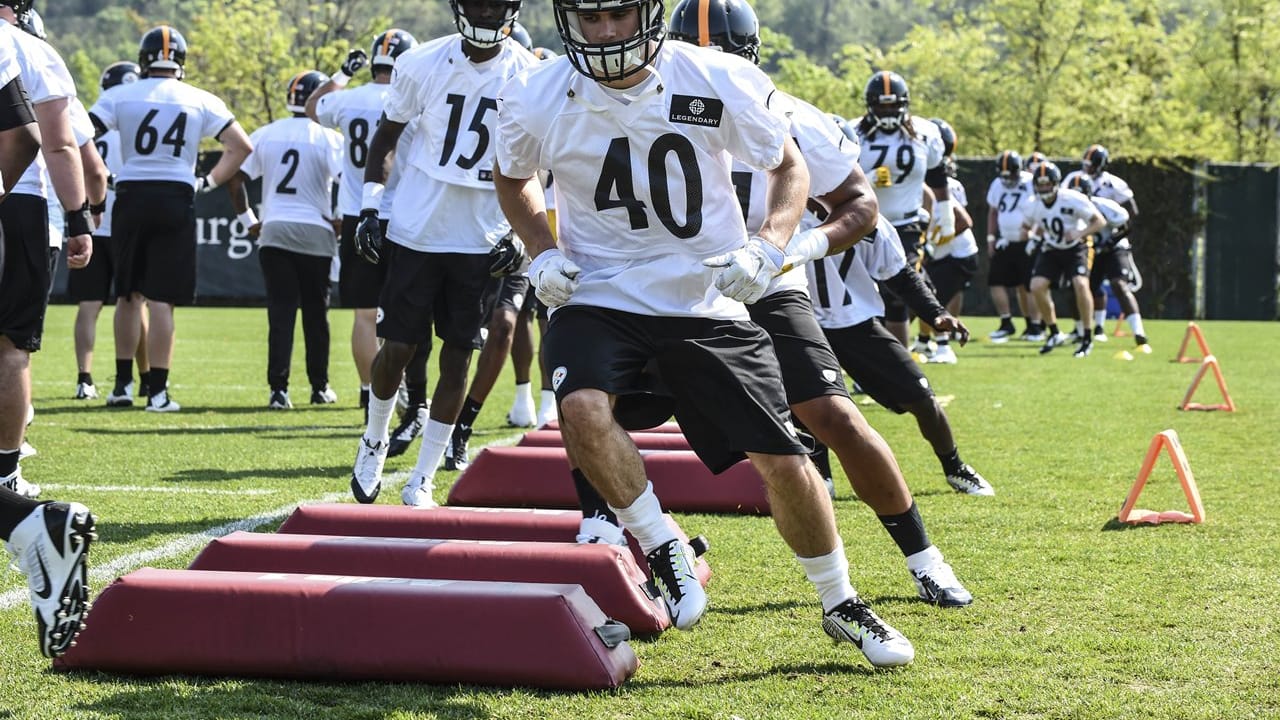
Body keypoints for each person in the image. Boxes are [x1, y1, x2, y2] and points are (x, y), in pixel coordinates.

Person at [494, 0, 915, 667]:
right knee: (579, 409)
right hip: (599, 290)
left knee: (783, 461)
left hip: (705, 293)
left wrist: (770, 245)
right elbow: (512, 176)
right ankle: (660, 543)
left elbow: (787, 166)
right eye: (590, 18)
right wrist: (541, 249)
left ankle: (840, 601)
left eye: (619, 15)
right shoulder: (539, 91)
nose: (605, 32)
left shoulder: (715, 76)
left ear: (650, 12)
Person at [347, 0, 536, 506]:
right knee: (399, 349)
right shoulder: (421, 62)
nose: (489, 12)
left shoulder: (528, 73)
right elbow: (385, 138)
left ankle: (423, 477)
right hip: (417, 229)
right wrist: (371, 208)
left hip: (481, 237)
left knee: (458, 361)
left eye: (498, 4)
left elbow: (541, 158)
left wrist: (522, 233)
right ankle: (375, 439)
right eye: (479, 2)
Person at [88, 25, 254, 411]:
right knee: (162, 302)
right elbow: (240, 146)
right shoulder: (200, 98)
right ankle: (158, 392)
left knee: (128, 296)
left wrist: (107, 176)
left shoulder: (119, 95)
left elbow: (81, 135)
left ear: (144, 58)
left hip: (130, 195)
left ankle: (123, 387)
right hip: (176, 196)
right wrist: (206, 181)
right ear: (181, 60)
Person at [0, 15, 98, 659]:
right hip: (27, 209)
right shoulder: (26, 46)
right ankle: (21, 515)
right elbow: (46, 138)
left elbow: (34, 136)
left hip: (24, 205)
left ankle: (23, 517)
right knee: (9, 349)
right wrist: (82, 217)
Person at [306, 29, 425, 418]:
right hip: (403, 215)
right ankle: (402, 392)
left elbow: (312, 107)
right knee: (406, 311)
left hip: (358, 214)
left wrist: (341, 74)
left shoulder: (347, 100)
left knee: (363, 313)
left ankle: (368, 390)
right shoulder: (414, 99)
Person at [228, 71, 343, 408]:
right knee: (315, 315)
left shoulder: (265, 134)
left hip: (275, 229)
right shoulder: (327, 137)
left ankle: (279, 390)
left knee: (281, 313)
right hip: (315, 232)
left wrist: (249, 221)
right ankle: (319, 386)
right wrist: (340, 220)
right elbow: (348, 180)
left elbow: (235, 180)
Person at [69, 61, 150, 402]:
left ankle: (84, 378)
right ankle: (146, 378)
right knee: (134, 301)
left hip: (92, 223)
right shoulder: (137, 119)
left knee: (89, 305)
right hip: (127, 222)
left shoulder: (90, 124)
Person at [854, 69, 953, 347]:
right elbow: (835, 175)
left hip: (906, 224)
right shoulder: (853, 132)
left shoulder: (924, 133)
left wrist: (944, 212)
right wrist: (867, 180)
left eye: (893, 105)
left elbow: (936, 174)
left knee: (898, 295)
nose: (887, 111)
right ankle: (873, 362)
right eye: (881, 105)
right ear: (870, 105)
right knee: (863, 293)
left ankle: (900, 361)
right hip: (862, 221)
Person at [1063, 144, 1148, 348]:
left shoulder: (1108, 199)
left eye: (1091, 165)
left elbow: (1129, 218)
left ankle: (1139, 332)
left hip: (1112, 245)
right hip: (1087, 245)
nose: (1087, 169)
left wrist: (1111, 241)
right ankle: (1083, 330)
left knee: (1119, 285)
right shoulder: (1073, 180)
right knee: (1079, 287)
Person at [1022, 162, 1106, 357]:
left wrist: (1080, 232)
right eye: (1040, 184)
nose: (1043, 188)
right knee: (1036, 286)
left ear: (1055, 183)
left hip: (1077, 247)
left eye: (1046, 183)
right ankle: (1054, 332)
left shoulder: (1071, 198)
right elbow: (1027, 226)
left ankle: (1087, 336)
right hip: (1051, 247)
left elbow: (1099, 221)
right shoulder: (1034, 204)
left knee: (1080, 284)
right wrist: (1033, 238)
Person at [913, 117, 978, 365]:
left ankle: (942, 346)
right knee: (927, 292)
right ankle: (924, 341)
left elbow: (964, 220)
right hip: (946, 252)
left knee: (932, 296)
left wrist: (936, 239)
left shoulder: (943, 184)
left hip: (957, 253)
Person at [984, 149, 1042, 342]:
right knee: (996, 281)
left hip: (1027, 241)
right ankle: (1006, 322)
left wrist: (1034, 234)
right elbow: (993, 212)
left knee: (1028, 286)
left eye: (1012, 174)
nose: (1008, 179)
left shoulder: (1031, 182)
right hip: (1006, 240)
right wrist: (991, 238)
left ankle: (1035, 326)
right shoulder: (997, 184)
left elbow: (1041, 208)